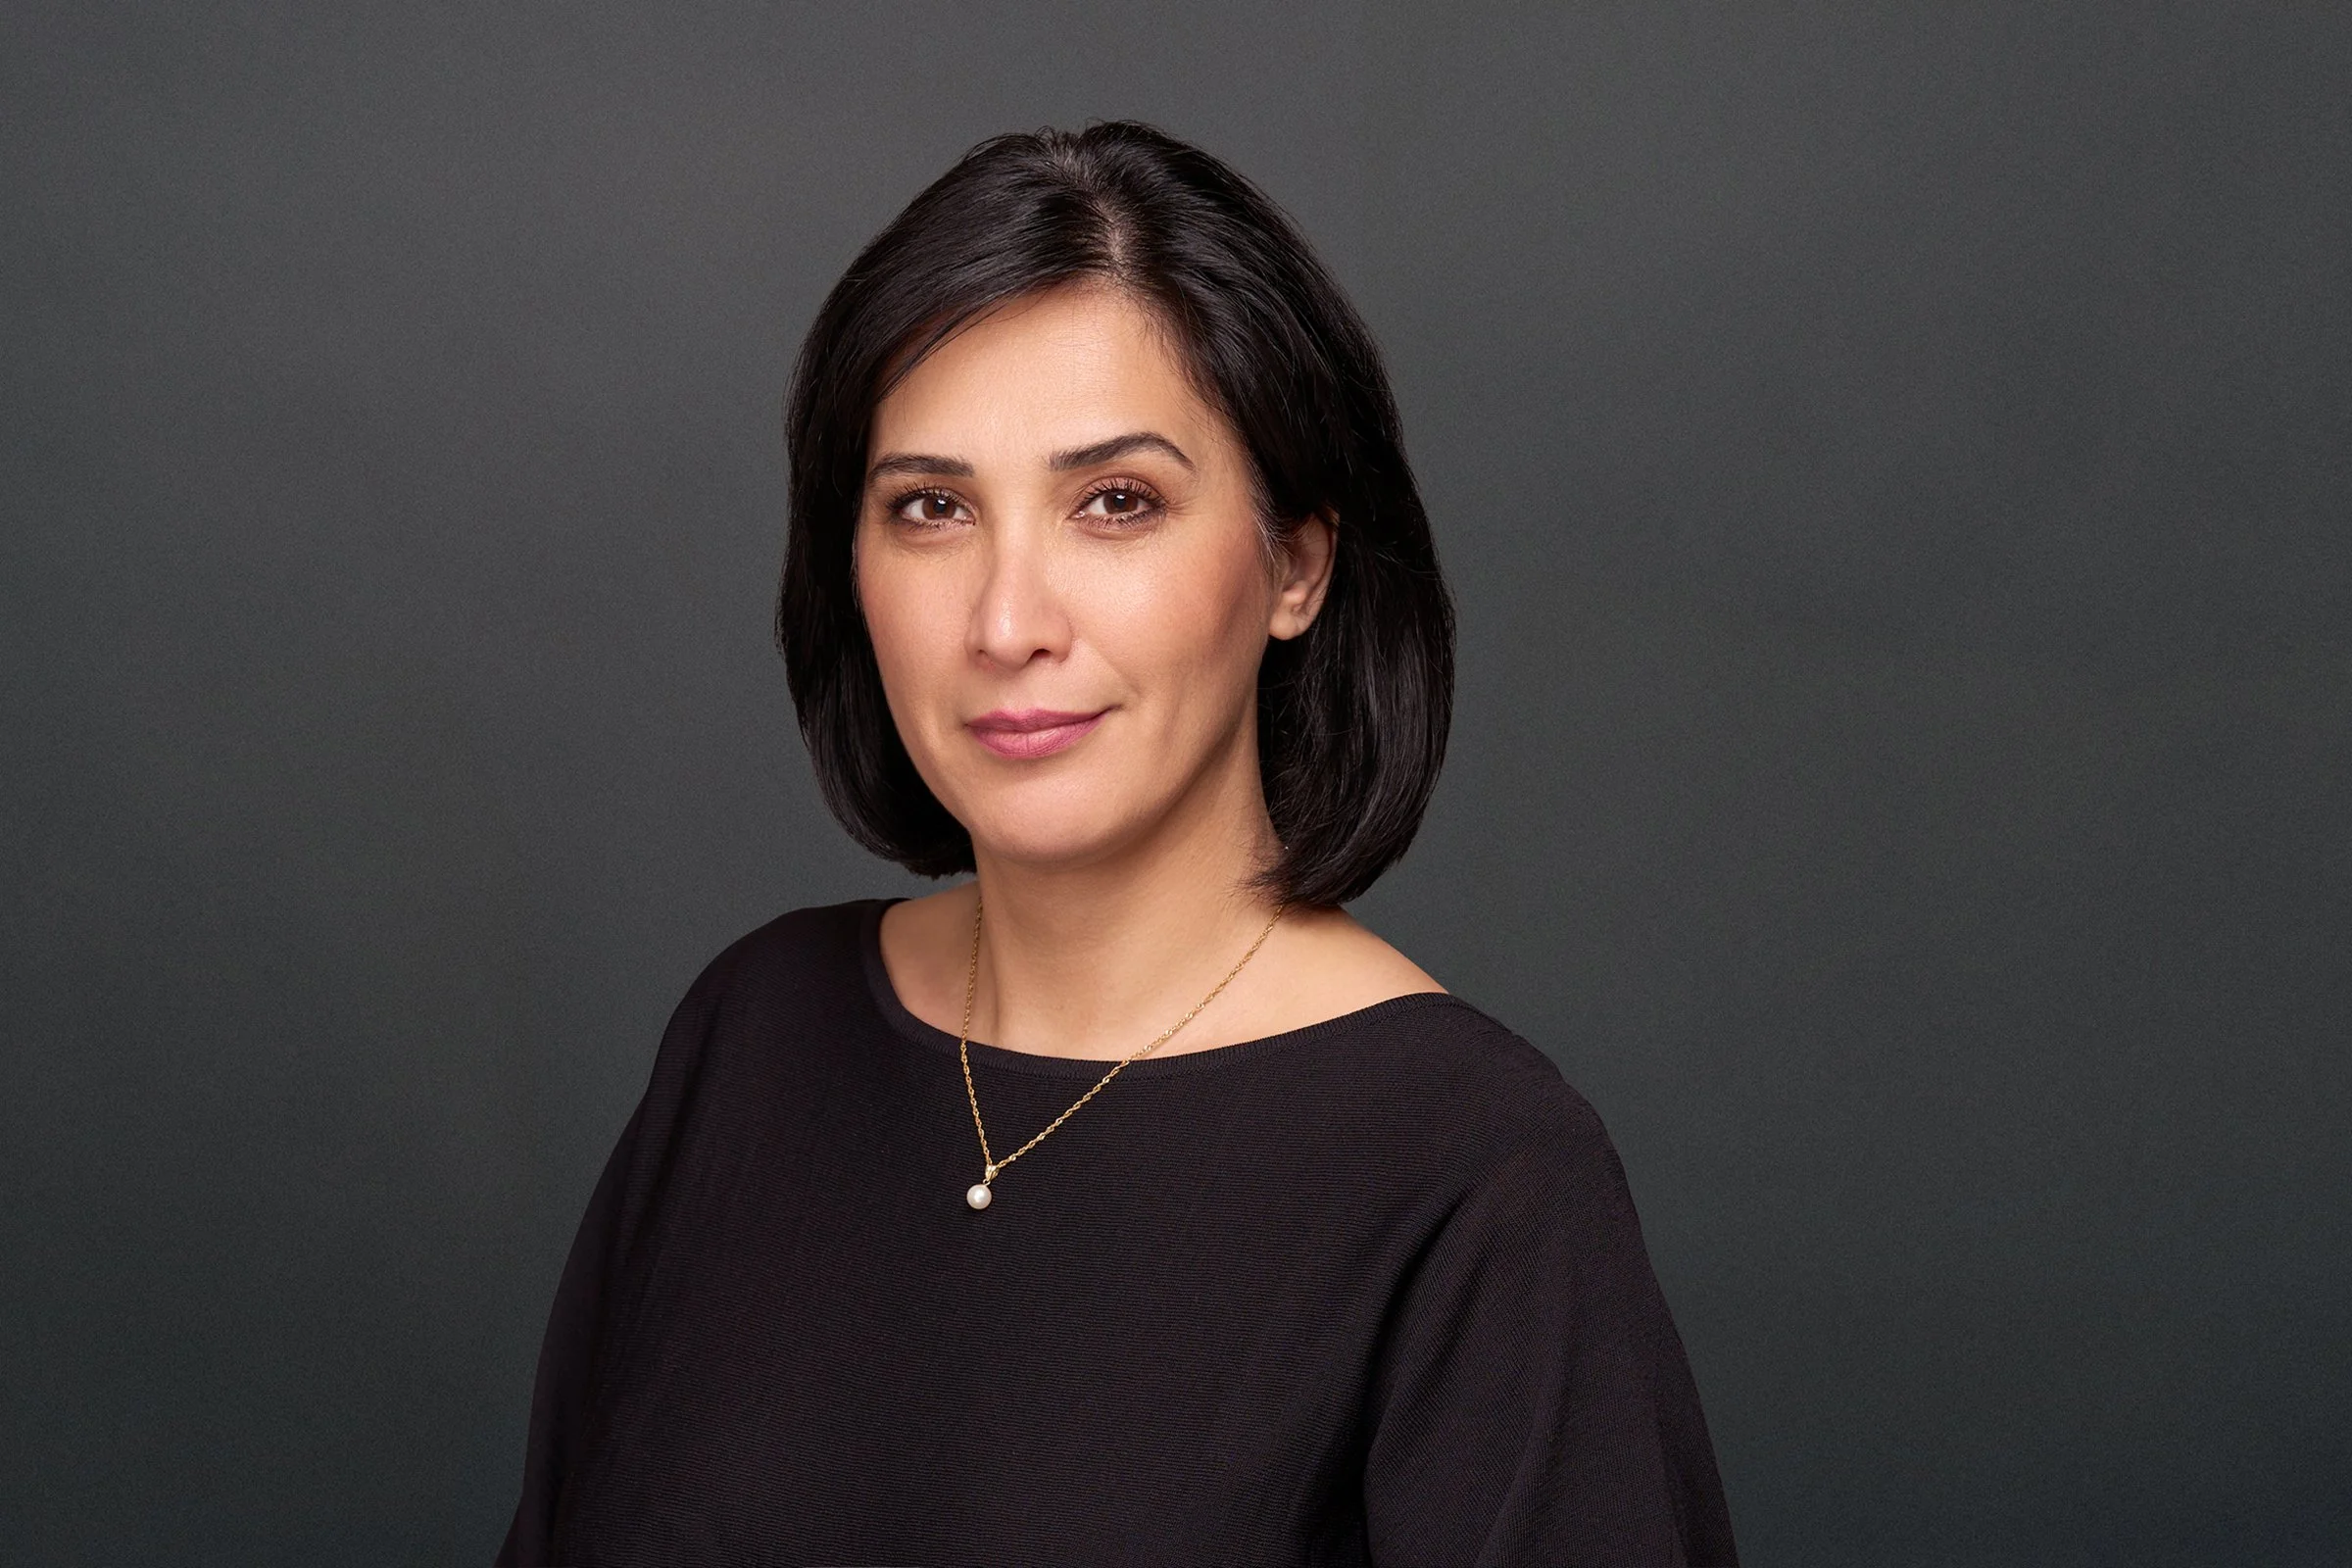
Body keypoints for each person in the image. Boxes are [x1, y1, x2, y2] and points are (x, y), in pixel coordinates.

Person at [497, 121, 1737, 1566]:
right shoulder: (754, 1033)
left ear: (1296, 562)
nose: (1008, 620)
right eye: (932, 508)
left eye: (1115, 503)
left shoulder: (1479, 1178)